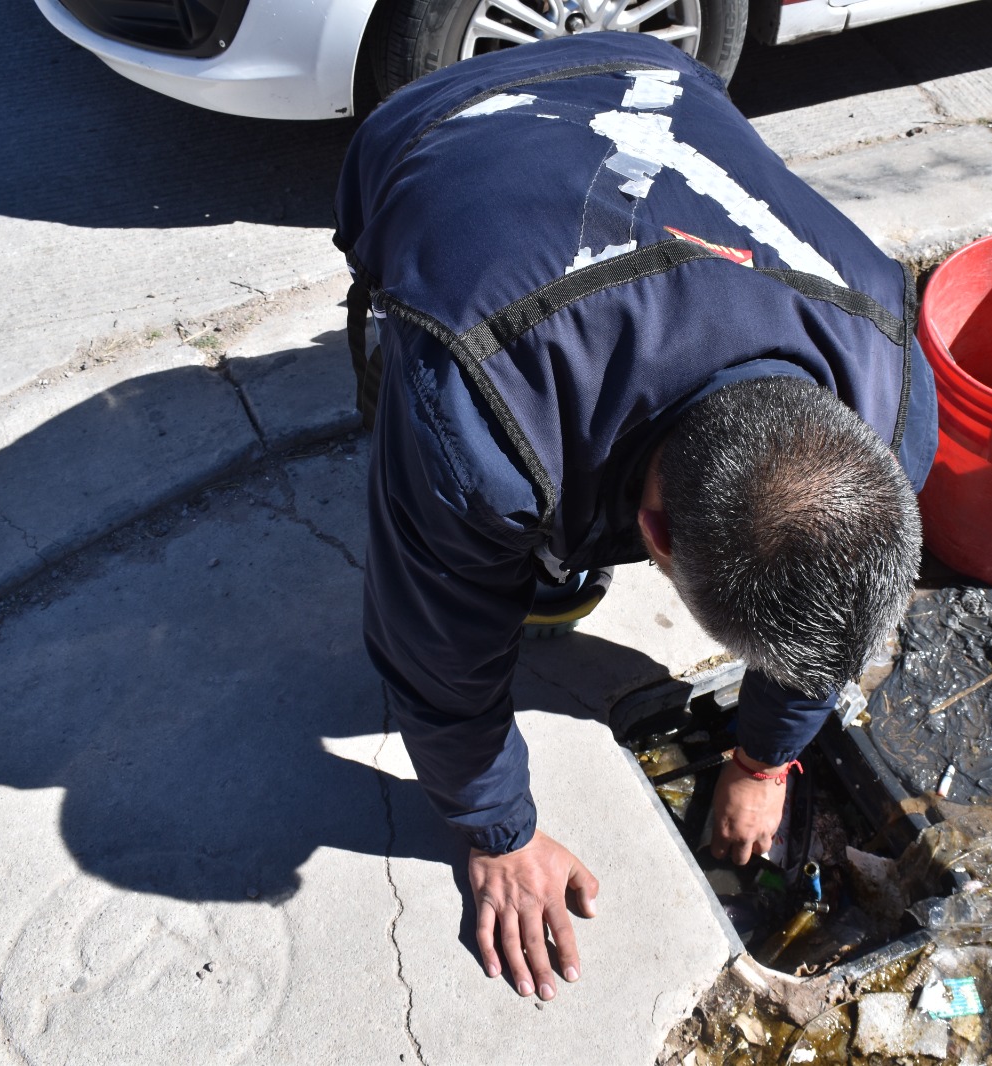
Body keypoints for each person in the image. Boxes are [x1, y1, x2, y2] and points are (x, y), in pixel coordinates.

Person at [333, 31, 937, 1003]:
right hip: (435, 124)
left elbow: (825, 624)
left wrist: (765, 756)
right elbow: (431, 646)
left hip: (658, 74)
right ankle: (531, 528)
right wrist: (500, 833)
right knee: (466, 510)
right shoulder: (478, 417)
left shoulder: (893, 378)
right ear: (653, 539)